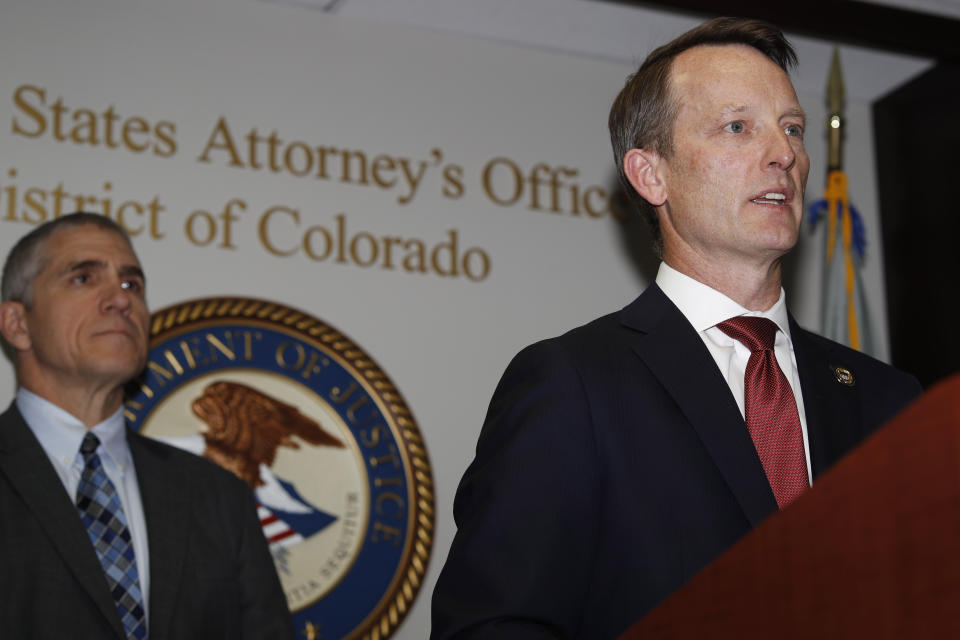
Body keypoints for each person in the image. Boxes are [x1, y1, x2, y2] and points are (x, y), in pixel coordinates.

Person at [431, 17, 922, 640]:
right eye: (738, 127)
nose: (785, 154)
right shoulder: (574, 383)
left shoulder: (888, 401)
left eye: (792, 128)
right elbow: (491, 626)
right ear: (650, 174)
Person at [0, 212, 294, 639]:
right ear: (17, 324)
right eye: (84, 278)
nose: (120, 300)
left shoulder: (217, 496)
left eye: (131, 284)